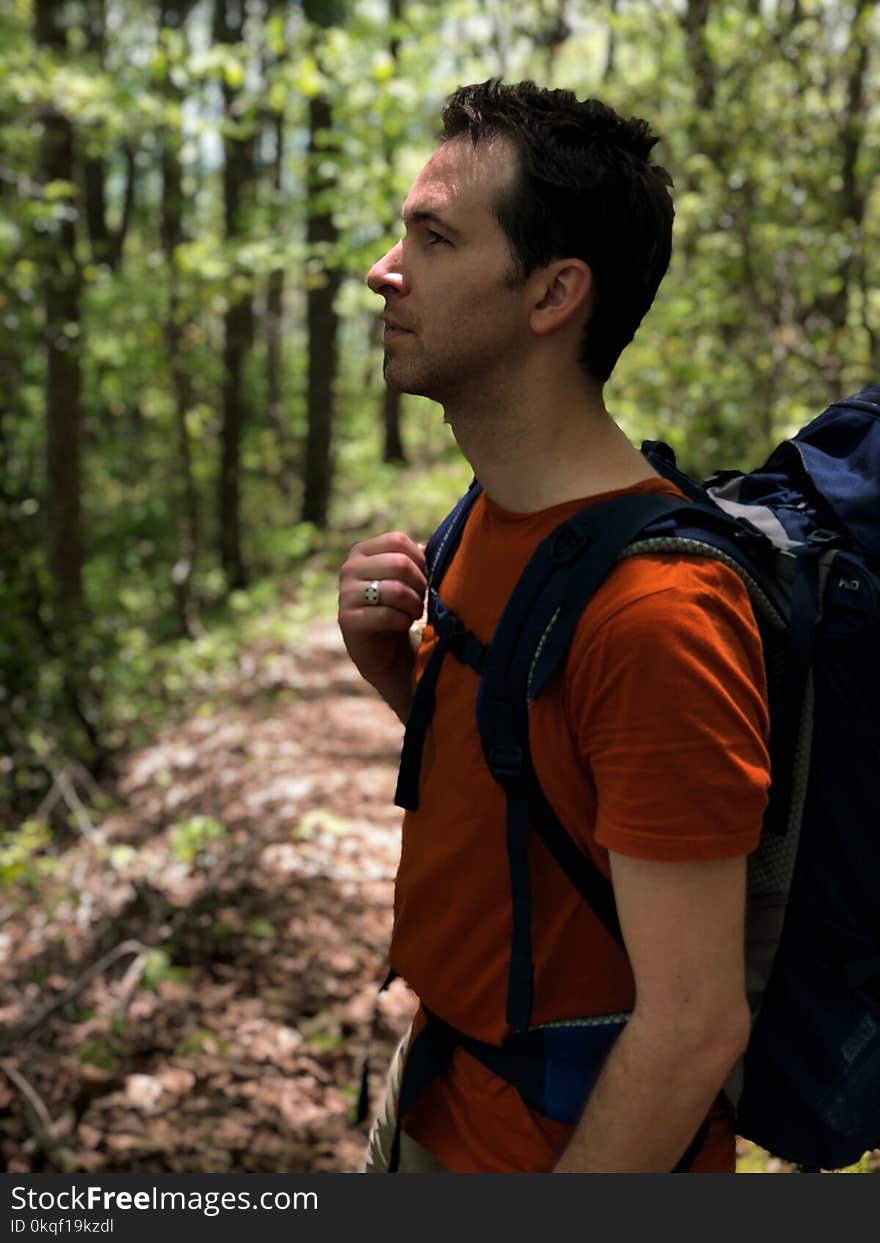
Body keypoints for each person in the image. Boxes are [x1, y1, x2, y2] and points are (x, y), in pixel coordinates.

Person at [337, 79, 770, 1173]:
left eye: (432, 238)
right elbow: (543, 787)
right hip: (440, 1093)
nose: (383, 271)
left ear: (551, 295)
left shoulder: (660, 616)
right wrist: (405, 682)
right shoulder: (492, 512)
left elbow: (692, 1027)